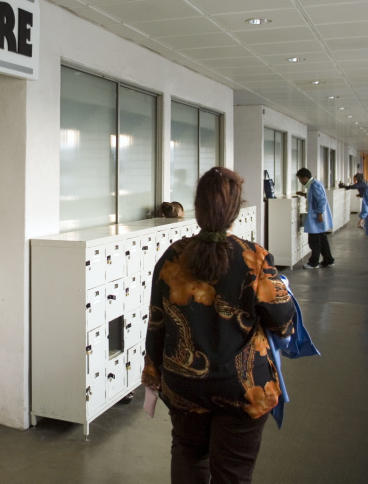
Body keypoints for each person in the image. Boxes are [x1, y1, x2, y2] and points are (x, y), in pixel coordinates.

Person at [143, 167, 296, 484]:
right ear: (235, 211)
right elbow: (283, 322)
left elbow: (156, 324)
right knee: (233, 473)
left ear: (197, 208)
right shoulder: (253, 258)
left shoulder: (172, 257)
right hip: (242, 388)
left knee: (188, 458)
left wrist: (154, 375)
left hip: (184, 386)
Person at [295, 168, 334, 269]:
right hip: (317, 216)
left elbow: (322, 200)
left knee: (314, 241)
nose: (300, 182)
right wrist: (303, 194)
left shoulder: (314, 185)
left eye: (300, 179)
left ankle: (313, 263)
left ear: (305, 177)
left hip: (317, 217)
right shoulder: (314, 184)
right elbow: (315, 197)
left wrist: (320, 213)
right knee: (322, 239)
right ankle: (328, 260)